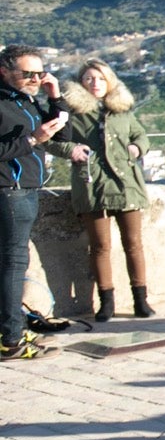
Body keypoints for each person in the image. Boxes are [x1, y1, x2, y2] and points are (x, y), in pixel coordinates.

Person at [2, 45, 86, 361]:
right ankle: (11, 341)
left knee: (11, 266)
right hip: (9, 191)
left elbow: (62, 139)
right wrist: (31, 140)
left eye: (41, 72)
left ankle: (11, 330)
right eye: (29, 73)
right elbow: (27, 143)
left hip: (25, 190)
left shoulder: (25, 101)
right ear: (5, 72)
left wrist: (54, 98)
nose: (36, 78)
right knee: (12, 266)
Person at [60, 59, 153, 320]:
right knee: (100, 246)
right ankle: (106, 302)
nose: (95, 83)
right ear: (81, 82)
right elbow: (54, 141)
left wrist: (137, 148)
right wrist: (71, 150)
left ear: (110, 81)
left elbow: (140, 136)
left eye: (100, 78)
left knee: (134, 244)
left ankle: (140, 300)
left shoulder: (122, 110)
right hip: (92, 185)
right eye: (89, 78)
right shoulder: (72, 113)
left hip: (127, 184)